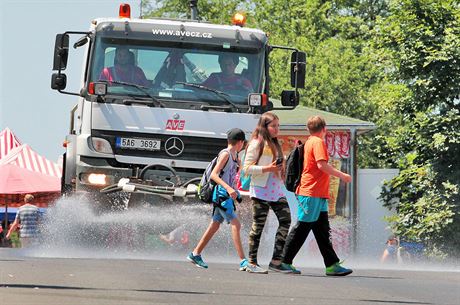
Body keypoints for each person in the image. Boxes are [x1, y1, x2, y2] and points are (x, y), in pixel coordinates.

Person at [281, 115, 353, 276]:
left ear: (308, 129)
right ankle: (284, 261)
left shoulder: (310, 142)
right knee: (302, 228)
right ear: (324, 129)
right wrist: (342, 176)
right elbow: (322, 165)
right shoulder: (318, 142)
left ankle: (332, 264)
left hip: (318, 194)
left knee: (322, 230)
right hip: (311, 192)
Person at [187, 128, 249, 270]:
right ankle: (243, 260)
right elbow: (214, 175)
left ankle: (195, 254)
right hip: (221, 195)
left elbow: (233, 176)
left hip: (225, 195)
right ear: (240, 142)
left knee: (215, 225)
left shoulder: (235, 157)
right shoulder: (226, 154)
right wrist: (228, 188)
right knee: (236, 224)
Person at [242, 112, 294, 274]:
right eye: (273, 126)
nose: (277, 129)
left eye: (278, 126)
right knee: (258, 226)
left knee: (286, 221)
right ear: (264, 126)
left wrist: (282, 168)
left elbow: (276, 166)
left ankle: (276, 261)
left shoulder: (275, 143)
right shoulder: (256, 143)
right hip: (260, 190)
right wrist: (268, 168)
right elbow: (246, 168)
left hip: (276, 189)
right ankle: (251, 262)